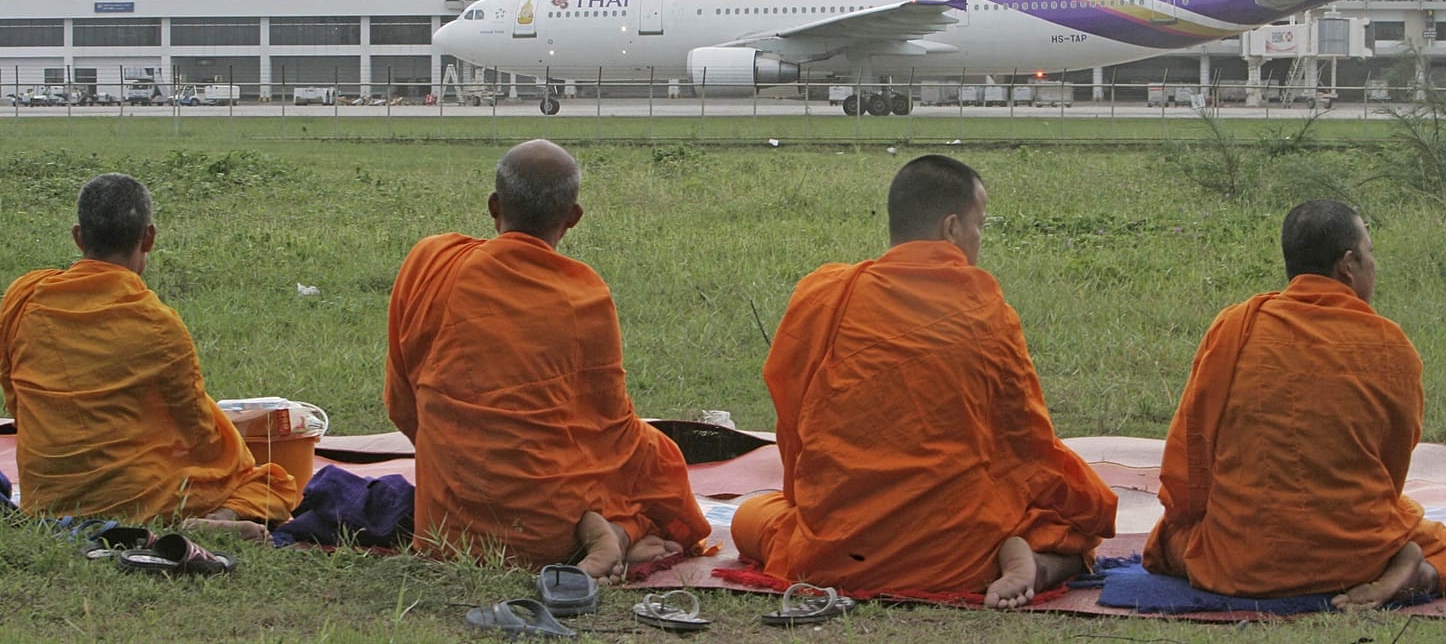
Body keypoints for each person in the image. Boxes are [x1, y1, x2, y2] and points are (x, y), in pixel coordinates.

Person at [732, 154, 1117, 608]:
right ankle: (1032, 557)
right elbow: (1025, 443)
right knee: (1080, 515)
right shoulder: (986, 311)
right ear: (952, 229)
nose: (979, 239)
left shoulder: (827, 293)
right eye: (980, 225)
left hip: (833, 553)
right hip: (957, 556)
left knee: (749, 516)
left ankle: (1014, 549)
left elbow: (793, 420)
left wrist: (809, 502)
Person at [384, 139, 709, 580]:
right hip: (553, 530)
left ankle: (611, 532)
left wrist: (456, 457)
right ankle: (620, 531)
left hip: (448, 529)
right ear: (573, 218)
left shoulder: (432, 262)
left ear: (493, 205)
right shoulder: (584, 293)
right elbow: (607, 429)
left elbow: (403, 403)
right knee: (659, 461)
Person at [1143, 199, 1446, 608]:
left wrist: (1202, 514)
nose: (1374, 266)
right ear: (1348, 264)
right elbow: (1392, 466)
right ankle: (1420, 575)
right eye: (1371, 254)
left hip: (1241, 562)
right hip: (1356, 556)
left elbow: (1191, 452)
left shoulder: (1236, 326)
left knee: (1168, 541)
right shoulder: (1392, 346)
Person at [0, 173, 298, 536]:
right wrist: (238, 461)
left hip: (46, 497)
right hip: (136, 500)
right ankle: (222, 516)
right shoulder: (159, 324)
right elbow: (201, 434)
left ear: (78, 237)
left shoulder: (26, 296)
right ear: (150, 238)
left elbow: (15, 393)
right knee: (273, 484)